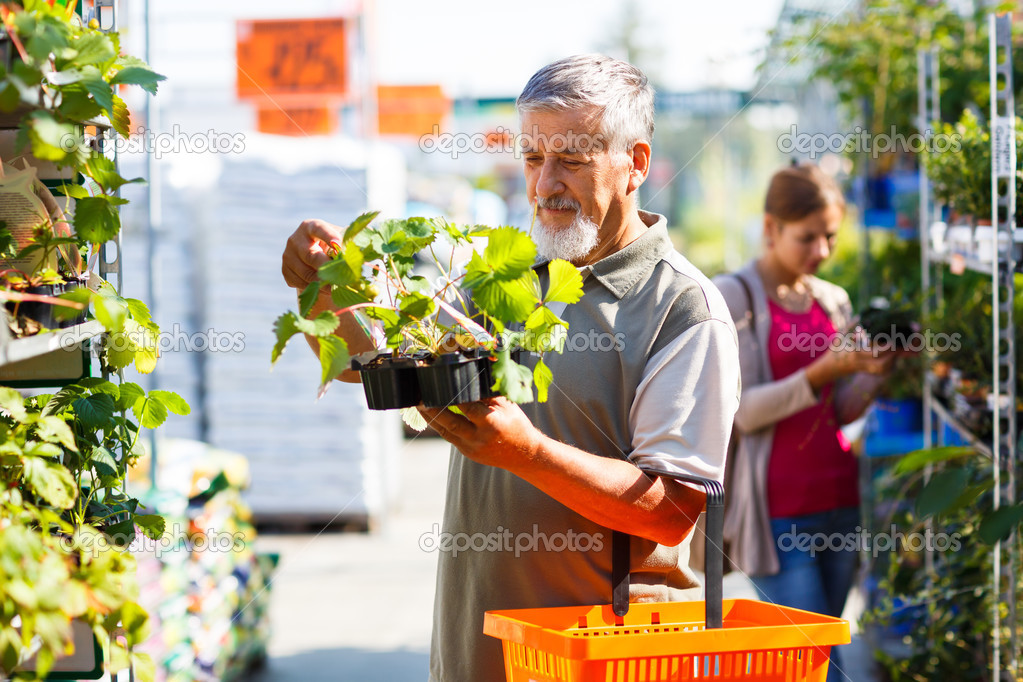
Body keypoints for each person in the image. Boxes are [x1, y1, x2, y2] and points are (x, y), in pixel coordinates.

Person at [281, 54, 740, 682]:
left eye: (571, 160)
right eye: (532, 158)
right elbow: (370, 363)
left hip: (601, 661)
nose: (544, 183)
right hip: (478, 654)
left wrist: (528, 452)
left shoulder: (681, 308)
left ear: (635, 164)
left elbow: (671, 509)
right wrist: (323, 290)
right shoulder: (508, 279)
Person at [714, 163, 895, 682]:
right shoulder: (736, 297)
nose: (820, 251)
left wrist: (876, 373)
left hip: (839, 502)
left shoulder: (832, 300)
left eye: (830, 237)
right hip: (779, 516)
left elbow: (838, 411)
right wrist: (823, 370)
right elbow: (744, 412)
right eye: (807, 238)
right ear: (770, 228)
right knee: (817, 666)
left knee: (818, 654)